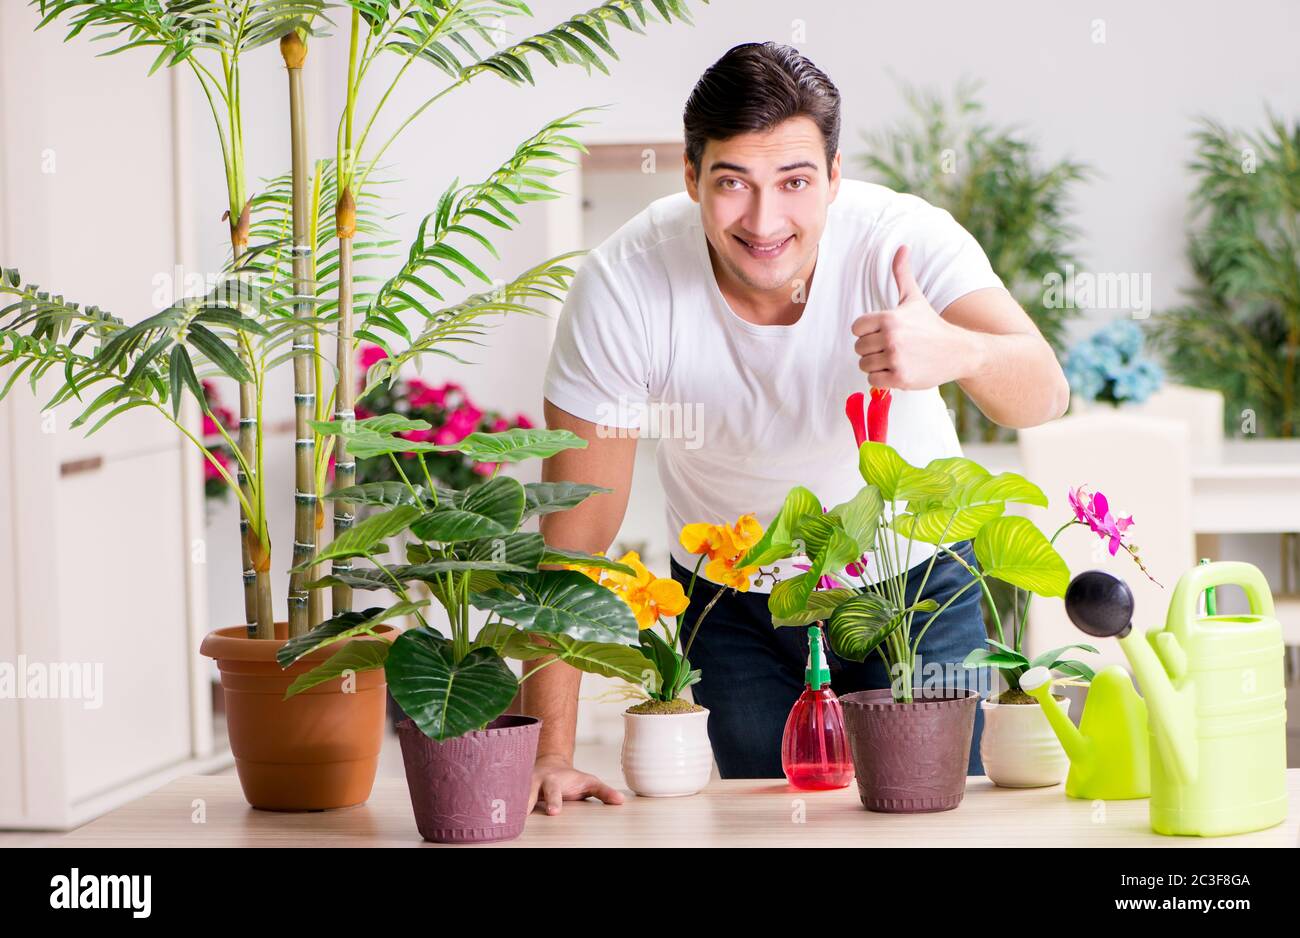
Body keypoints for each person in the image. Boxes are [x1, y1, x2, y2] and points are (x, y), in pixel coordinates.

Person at [526, 41, 1069, 814]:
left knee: (925, 818)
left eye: (794, 181)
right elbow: (574, 536)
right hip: (733, 606)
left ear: (836, 176)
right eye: (732, 183)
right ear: (690, 177)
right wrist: (551, 754)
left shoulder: (900, 239)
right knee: (772, 821)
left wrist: (958, 350)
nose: (764, 219)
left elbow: (1043, 392)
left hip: (911, 584)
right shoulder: (625, 283)